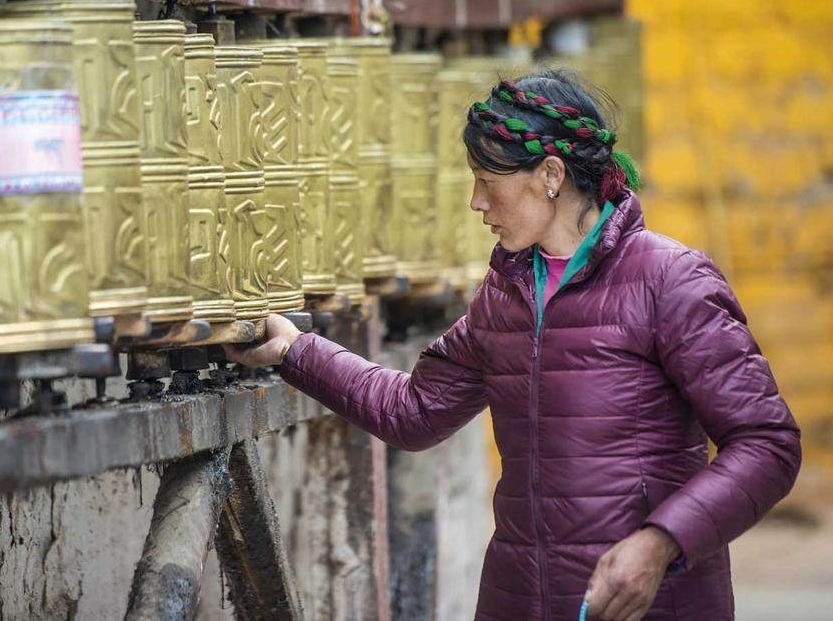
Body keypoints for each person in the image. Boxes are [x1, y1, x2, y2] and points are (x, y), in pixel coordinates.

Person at [224, 70, 801, 621]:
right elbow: (414, 411)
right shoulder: (504, 295)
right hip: (518, 599)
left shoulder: (670, 281)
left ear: (550, 175)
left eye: (486, 180)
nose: (476, 202)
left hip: (645, 604)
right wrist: (295, 351)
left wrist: (659, 543)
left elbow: (766, 444)